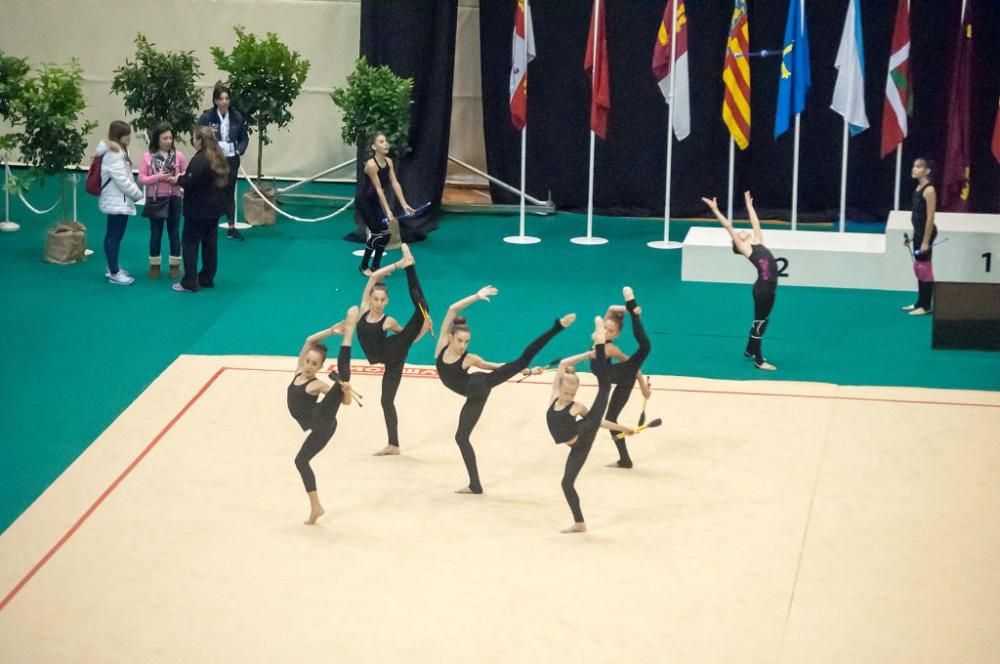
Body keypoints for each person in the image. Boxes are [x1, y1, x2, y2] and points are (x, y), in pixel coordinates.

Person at [435, 285, 574, 494]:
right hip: (473, 397)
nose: (463, 345)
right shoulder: (442, 345)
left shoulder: (470, 358)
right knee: (461, 438)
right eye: (460, 340)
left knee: (521, 360)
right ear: (451, 337)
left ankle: (556, 327)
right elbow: (452, 309)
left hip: (480, 385)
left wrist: (526, 371)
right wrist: (476, 296)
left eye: (467, 341)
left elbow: (495, 367)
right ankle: (475, 485)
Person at [546, 318, 634, 533]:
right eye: (566, 393)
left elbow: (598, 422)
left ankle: (601, 342)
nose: (569, 396)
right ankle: (580, 523)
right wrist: (588, 354)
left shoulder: (577, 407)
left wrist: (623, 429)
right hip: (577, 440)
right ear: (560, 389)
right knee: (566, 484)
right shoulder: (555, 395)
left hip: (582, 440)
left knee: (604, 389)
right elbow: (564, 363)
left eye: (572, 394)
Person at [356, 243, 432, 456]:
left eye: (382, 300)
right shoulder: (363, 309)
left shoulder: (388, 321)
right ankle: (394, 445)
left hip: (394, 355)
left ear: (387, 301)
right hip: (387, 358)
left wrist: (424, 331)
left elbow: (406, 340)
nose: (378, 303)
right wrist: (397, 264)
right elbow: (372, 278)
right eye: (376, 299)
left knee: (422, 309)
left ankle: (411, 268)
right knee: (386, 401)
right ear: (370, 299)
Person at [287, 307, 358, 524]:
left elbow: (345, 403)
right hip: (319, 427)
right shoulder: (299, 371)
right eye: (308, 361)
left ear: (320, 366)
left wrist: (345, 391)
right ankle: (316, 506)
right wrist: (330, 331)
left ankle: (349, 335)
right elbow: (309, 340)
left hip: (323, 419)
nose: (309, 366)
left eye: (314, 364)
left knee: (342, 379)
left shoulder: (317, 383)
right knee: (300, 461)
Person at [702, 191, 778, 371]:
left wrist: (750, 206)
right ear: (739, 244)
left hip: (768, 287)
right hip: (763, 289)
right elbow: (728, 226)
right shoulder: (746, 248)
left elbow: (756, 223)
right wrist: (715, 209)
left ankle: (749, 350)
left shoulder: (758, 241)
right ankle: (759, 361)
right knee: (760, 324)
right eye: (739, 235)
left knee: (761, 320)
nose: (741, 232)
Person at [598, 287, 652, 469]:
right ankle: (625, 460)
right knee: (611, 419)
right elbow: (612, 308)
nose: (605, 332)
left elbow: (632, 366)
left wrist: (643, 387)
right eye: (604, 327)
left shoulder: (611, 348)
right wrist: (627, 311)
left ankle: (634, 309)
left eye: (610, 331)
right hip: (619, 380)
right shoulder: (598, 334)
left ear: (616, 335)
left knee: (645, 347)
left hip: (622, 377)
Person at [172, 126, 229, 293]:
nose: (192, 141)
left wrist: (178, 180)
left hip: (198, 210)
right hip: (214, 210)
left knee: (189, 244)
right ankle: (207, 277)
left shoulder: (200, 159)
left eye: (194, 138)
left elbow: (191, 180)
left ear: (199, 140)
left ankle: (189, 281)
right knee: (210, 244)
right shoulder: (217, 156)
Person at [357, 132, 415, 276]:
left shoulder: (389, 162)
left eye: (386, 141)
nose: (386, 144)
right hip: (364, 201)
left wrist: (404, 204)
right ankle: (364, 266)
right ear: (373, 146)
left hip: (374, 201)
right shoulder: (371, 165)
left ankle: (376, 268)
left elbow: (395, 183)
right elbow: (378, 189)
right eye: (381, 142)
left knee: (386, 235)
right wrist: (388, 211)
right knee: (377, 234)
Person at [198, 82, 249, 240]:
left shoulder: (237, 117)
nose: (224, 102)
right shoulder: (207, 117)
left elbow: (244, 138)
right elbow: (199, 136)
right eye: (221, 99)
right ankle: (207, 224)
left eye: (227, 98)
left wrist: (239, 150)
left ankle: (231, 227)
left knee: (229, 191)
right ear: (215, 101)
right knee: (211, 190)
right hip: (213, 159)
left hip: (231, 159)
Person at [96, 121, 144, 285]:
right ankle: (114, 272)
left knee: (115, 235)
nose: (129, 137)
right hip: (116, 201)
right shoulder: (114, 153)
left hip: (120, 200)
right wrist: (138, 195)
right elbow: (122, 179)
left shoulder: (121, 150)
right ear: (118, 136)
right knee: (113, 236)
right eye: (126, 134)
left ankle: (112, 267)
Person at [137, 122, 186, 279]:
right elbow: (141, 179)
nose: (168, 141)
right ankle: (155, 265)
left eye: (170, 138)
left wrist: (176, 179)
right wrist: (158, 177)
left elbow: (186, 175)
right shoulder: (147, 157)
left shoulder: (179, 156)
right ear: (157, 140)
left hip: (174, 198)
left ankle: (174, 266)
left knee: (174, 233)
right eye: (164, 138)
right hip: (155, 199)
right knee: (155, 233)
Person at [902, 158, 938, 316]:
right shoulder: (918, 188)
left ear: (927, 171)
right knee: (918, 269)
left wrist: (925, 241)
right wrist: (912, 235)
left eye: (918, 166)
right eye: (913, 166)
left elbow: (930, 218)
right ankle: (919, 302)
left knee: (925, 270)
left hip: (926, 234)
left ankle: (926, 305)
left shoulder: (929, 190)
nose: (914, 169)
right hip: (918, 233)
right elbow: (917, 217)